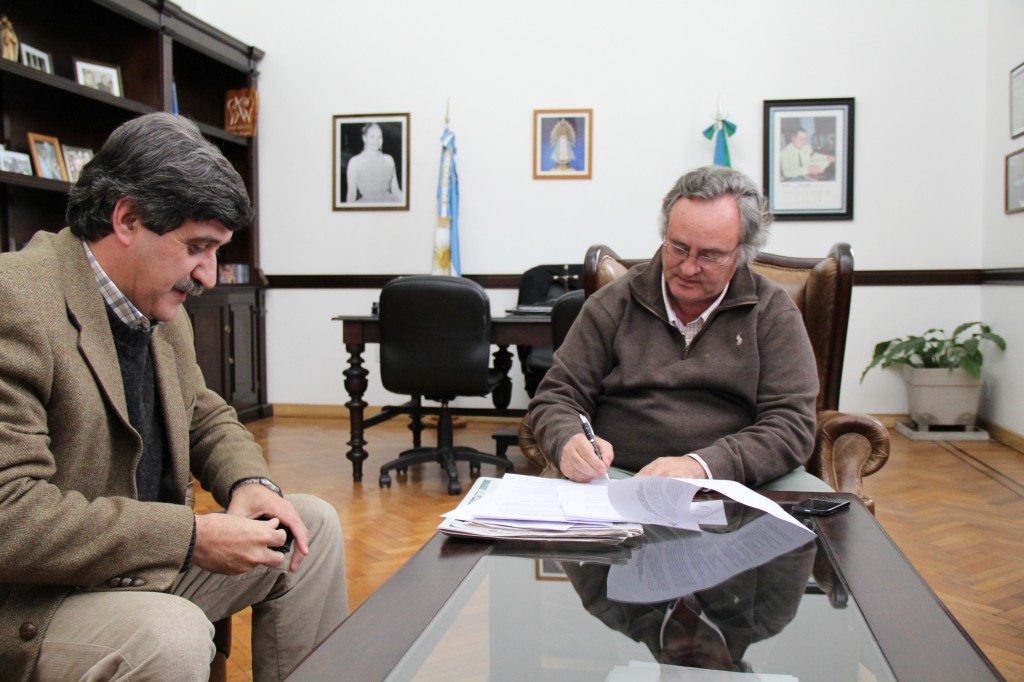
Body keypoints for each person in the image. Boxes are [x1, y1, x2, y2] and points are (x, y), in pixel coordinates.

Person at [0, 112, 347, 681]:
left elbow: (203, 415)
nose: (208, 275)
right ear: (128, 218)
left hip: (140, 566)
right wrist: (189, 538)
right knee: (172, 635)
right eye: (197, 247)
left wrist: (250, 484)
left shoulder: (156, 302)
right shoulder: (16, 301)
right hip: (42, 599)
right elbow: (10, 517)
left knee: (310, 529)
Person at [528, 165, 827, 490]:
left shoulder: (772, 312)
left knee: (823, 522)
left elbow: (792, 424)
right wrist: (568, 440)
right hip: (623, 475)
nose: (688, 268)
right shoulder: (613, 303)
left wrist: (702, 466)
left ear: (742, 253)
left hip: (741, 480)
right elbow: (556, 398)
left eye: (710, 256)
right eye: (678, 247)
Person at [345, 122, 403, 203]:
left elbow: (396, 190)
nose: (376, 141)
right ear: (364, 138)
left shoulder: (389, 160)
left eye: (379, 137)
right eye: (372, 137)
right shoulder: (355, 162)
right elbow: (351, 195)